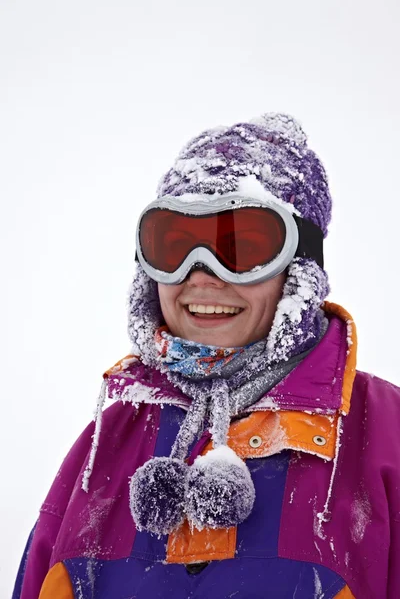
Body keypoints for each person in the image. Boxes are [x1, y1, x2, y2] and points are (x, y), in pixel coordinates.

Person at [12, 113, 400, 599]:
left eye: (241, 245)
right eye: (173, 245)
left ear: (299, 268)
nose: (202, 275)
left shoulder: (385, 439)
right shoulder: (108, 439)